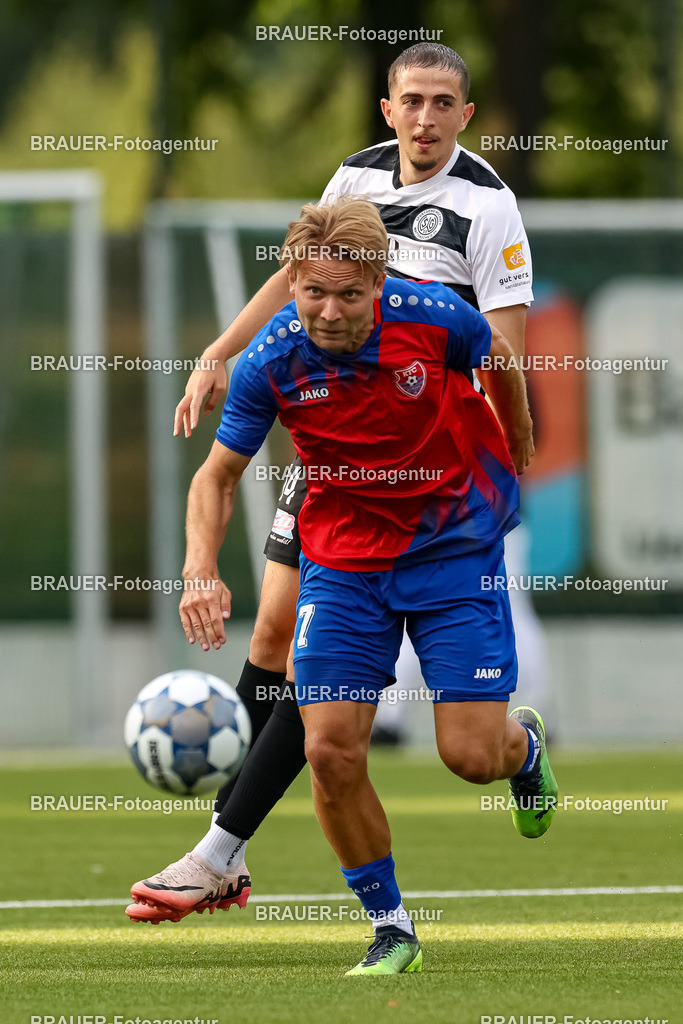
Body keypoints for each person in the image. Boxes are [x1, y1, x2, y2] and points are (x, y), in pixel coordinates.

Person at [127, 42, 542, 925]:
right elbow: (300, 268)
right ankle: (221, 851)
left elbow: (498, 349)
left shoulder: (487, 207)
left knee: (460, 744)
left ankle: (220, 849)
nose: (425, 118)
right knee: (273, 634)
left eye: (442, 102)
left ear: (463, 114)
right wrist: (221, 350)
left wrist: (501, 445)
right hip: (336, 454)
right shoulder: (353, 179)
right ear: (386, 110)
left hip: (431, 473)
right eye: (410, 101)